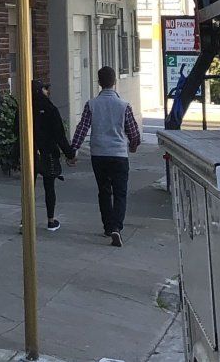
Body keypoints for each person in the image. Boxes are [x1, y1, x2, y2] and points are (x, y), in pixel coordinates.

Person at [70, 65, 142, 245]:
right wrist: (133, 146)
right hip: (118, 154)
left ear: (99, 83)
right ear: (115, 82)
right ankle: (117, 227)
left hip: (99, 153)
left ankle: (107, 227)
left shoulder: (91, 104)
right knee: (120, 192)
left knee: (103, 191)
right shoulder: (123, 105)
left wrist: (73, 150)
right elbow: (133, 132)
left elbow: (82, 128)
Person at [31, 81, 73, 231]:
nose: (47, 91)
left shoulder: (25, 108)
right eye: (44, 88)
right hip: (48, 152)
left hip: (29, 152)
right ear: (40, 90)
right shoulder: (50, 109)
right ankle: (51, 219)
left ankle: (25, 219)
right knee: (49, 186)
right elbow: (59, 135)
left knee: (29, 187)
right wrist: (70, 153)